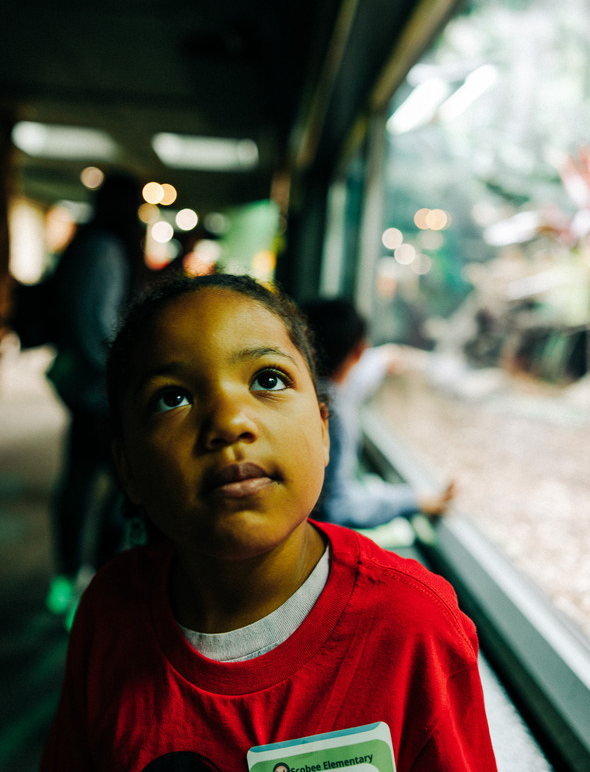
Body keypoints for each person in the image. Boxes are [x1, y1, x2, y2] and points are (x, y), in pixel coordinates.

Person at [41, 274, 497, 771]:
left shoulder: (415, 628)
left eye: (268, 380)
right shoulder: (108, 613)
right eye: (172, 398)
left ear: (324, 429)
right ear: (128, 467)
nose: (230, 421)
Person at [45, 169, 146, 623]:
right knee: (123, 486)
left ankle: (74, 578)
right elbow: (95, 326)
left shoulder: (90, 243)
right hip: (97, 392)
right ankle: (88, 581)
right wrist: (125, 374)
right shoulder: (105, 248)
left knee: (87, 484)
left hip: (87, 389)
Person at [302, 298, 454, 530]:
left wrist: (390, 359)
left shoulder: (305, 391)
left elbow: (363, 372)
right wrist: (413, 499)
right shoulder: (332, 417)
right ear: (360, 350)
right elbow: (337, 508)